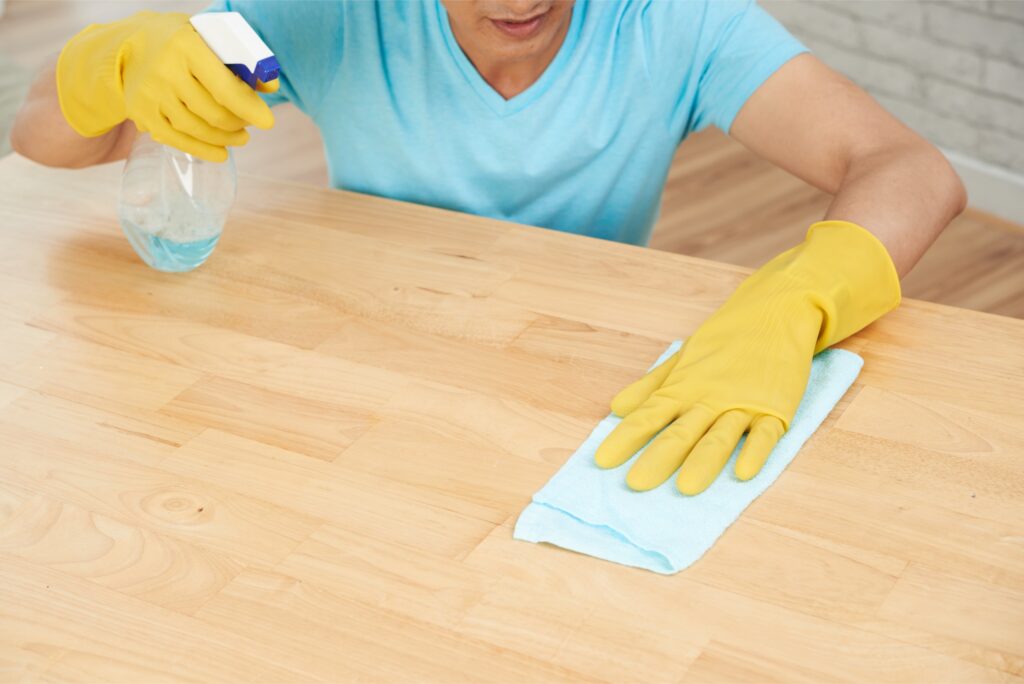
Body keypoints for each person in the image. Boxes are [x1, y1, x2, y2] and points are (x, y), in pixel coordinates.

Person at [10, 0, 966, 495]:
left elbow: (908, 167)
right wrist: (110, 64)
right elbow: (53, 138)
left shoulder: (668, 24)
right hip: (373, 370)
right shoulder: (327, 17)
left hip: (582, 385)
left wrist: (800, 296)